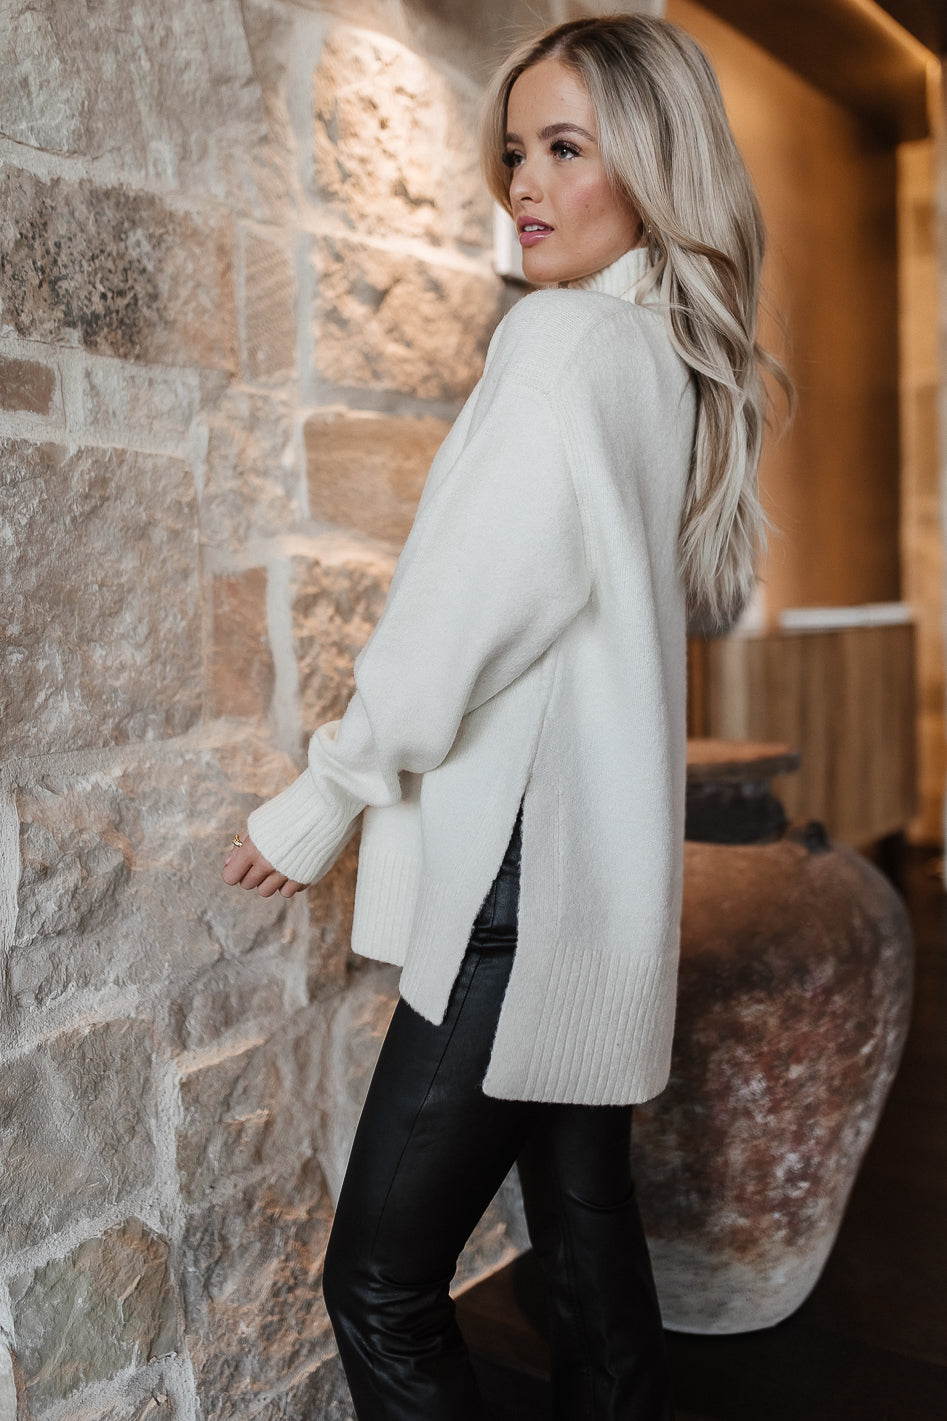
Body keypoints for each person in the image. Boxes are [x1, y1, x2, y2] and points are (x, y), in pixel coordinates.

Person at [224, 13, 787, 1419]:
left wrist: (324, 792)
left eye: (566, 149)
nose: (524, 183)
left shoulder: (561, 345)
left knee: (378, 1284)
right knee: (586, 1223)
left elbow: (452, 626)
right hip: (598, 882)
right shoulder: (664, 359)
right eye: (517, 151)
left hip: (518, 891)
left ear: (650, 167)